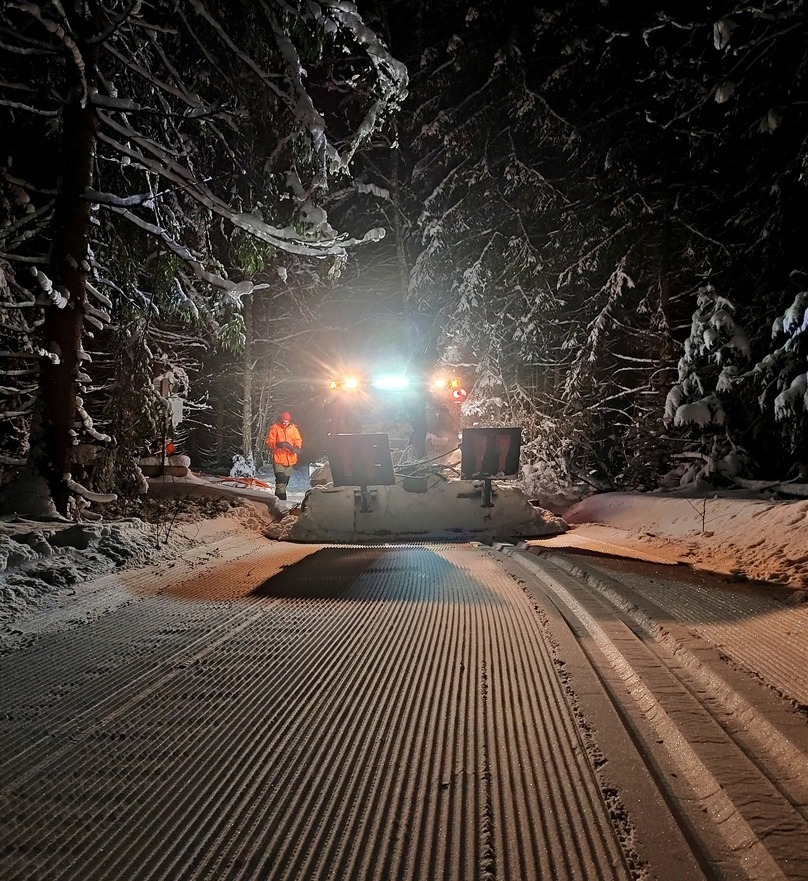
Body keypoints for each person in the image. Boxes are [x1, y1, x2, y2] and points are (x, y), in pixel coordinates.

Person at [265, 411, 302, 501]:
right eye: (283, 421)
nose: (285, 423)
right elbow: (269, 442)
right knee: (280, 482)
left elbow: (298, 440)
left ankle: (276, 502)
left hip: (290, 459)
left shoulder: (293, 429)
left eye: (287, 421)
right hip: (278, 459)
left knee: (284, 483)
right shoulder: (275, 428)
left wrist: (296, 447)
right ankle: (282, 502)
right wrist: (277, 444)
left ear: (289, 421)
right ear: (281, 420)